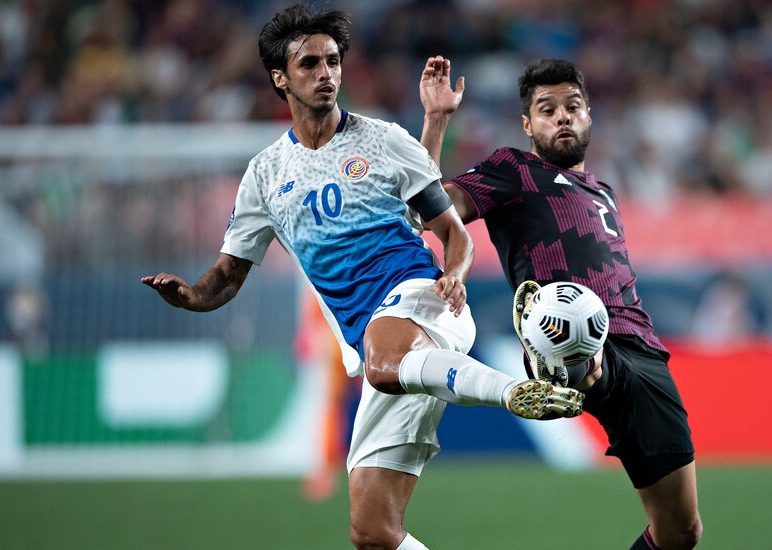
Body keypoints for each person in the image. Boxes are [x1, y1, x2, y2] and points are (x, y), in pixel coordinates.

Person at [141, 7, 583, 549]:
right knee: (374, 532)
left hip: (421, 303)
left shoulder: (382, 140)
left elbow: (454, 231)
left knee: (383, 358)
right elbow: (228, 274)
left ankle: (515, 390)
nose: (326, 73)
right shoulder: (264, 174)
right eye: (309, 64)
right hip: (384, 349)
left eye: (333, 61)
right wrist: (190, 297)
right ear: (280, 78)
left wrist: (455, 273)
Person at [420, 59, 703, 549]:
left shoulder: (603, 191)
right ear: (528, 125)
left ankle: (582, 365)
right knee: (581, 344)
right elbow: (426, 208)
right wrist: (437, 119)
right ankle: (573, 366)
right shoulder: (513, 169)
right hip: (566, 333)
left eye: (572, 107)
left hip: (643, 349)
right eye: (547, 110)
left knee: (681, 532)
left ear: (589, 115)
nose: (562, 117)